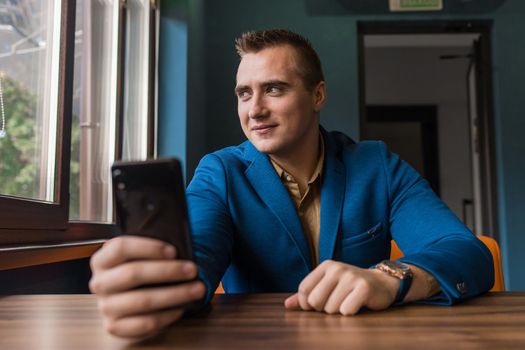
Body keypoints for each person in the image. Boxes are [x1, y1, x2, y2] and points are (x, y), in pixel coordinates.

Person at [89, 29, 494, 339]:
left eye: (274, 89)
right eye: (244, 94)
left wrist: (389, 278)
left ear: (317, 94)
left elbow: (468, 254)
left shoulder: (376, 165)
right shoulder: (220, 172)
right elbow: (198, 253)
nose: (255, 110)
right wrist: (158, 284)